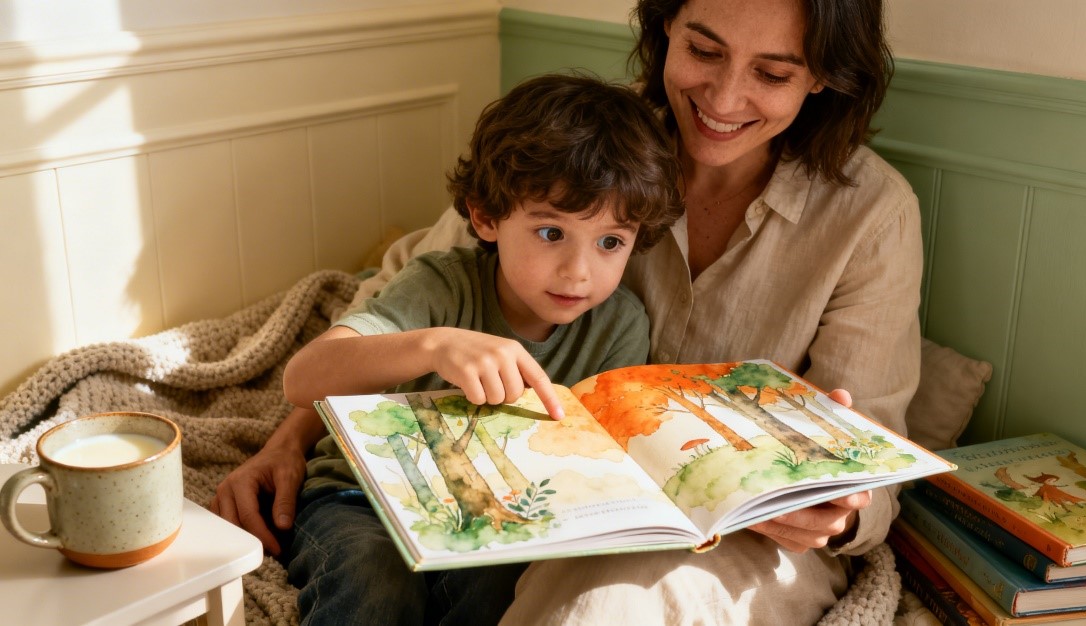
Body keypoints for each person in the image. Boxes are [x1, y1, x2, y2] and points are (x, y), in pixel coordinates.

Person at [213, 0, 924, 622]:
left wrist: (831, 510)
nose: (725, 95)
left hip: (735, 538)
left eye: (772, 73)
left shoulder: (871, 214)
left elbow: (873, 466)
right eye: (703, 50)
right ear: (664, 27)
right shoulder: (582, 148)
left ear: (822, 74)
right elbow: (391, 315)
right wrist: (292, 439)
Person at [254, 72, 683, 625]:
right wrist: (434, 346)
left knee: (509, 586)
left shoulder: (621, 325)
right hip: (364, 500)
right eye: (551, 233)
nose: (579, 272)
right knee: (374, 581)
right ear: (485, 217)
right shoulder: (440, 285)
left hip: (502, 518)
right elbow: (302, 379)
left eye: (610, 242)